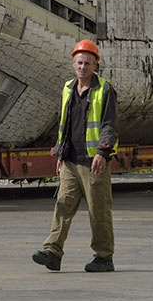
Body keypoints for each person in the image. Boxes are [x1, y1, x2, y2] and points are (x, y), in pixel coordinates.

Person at [32, 39, 119, 273]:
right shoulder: (68, 88)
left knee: (98, 211)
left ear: (95, 64)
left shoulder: (105, 89)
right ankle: (53, 252)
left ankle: (104, 257)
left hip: (94, 163)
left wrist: (103, 152)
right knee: (62, 206)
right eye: (79, 62)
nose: (83, 67)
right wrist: (61, 152)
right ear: (73, 64)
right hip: (70, 161)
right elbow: (65, 124)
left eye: (88, 63)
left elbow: (109, 125)